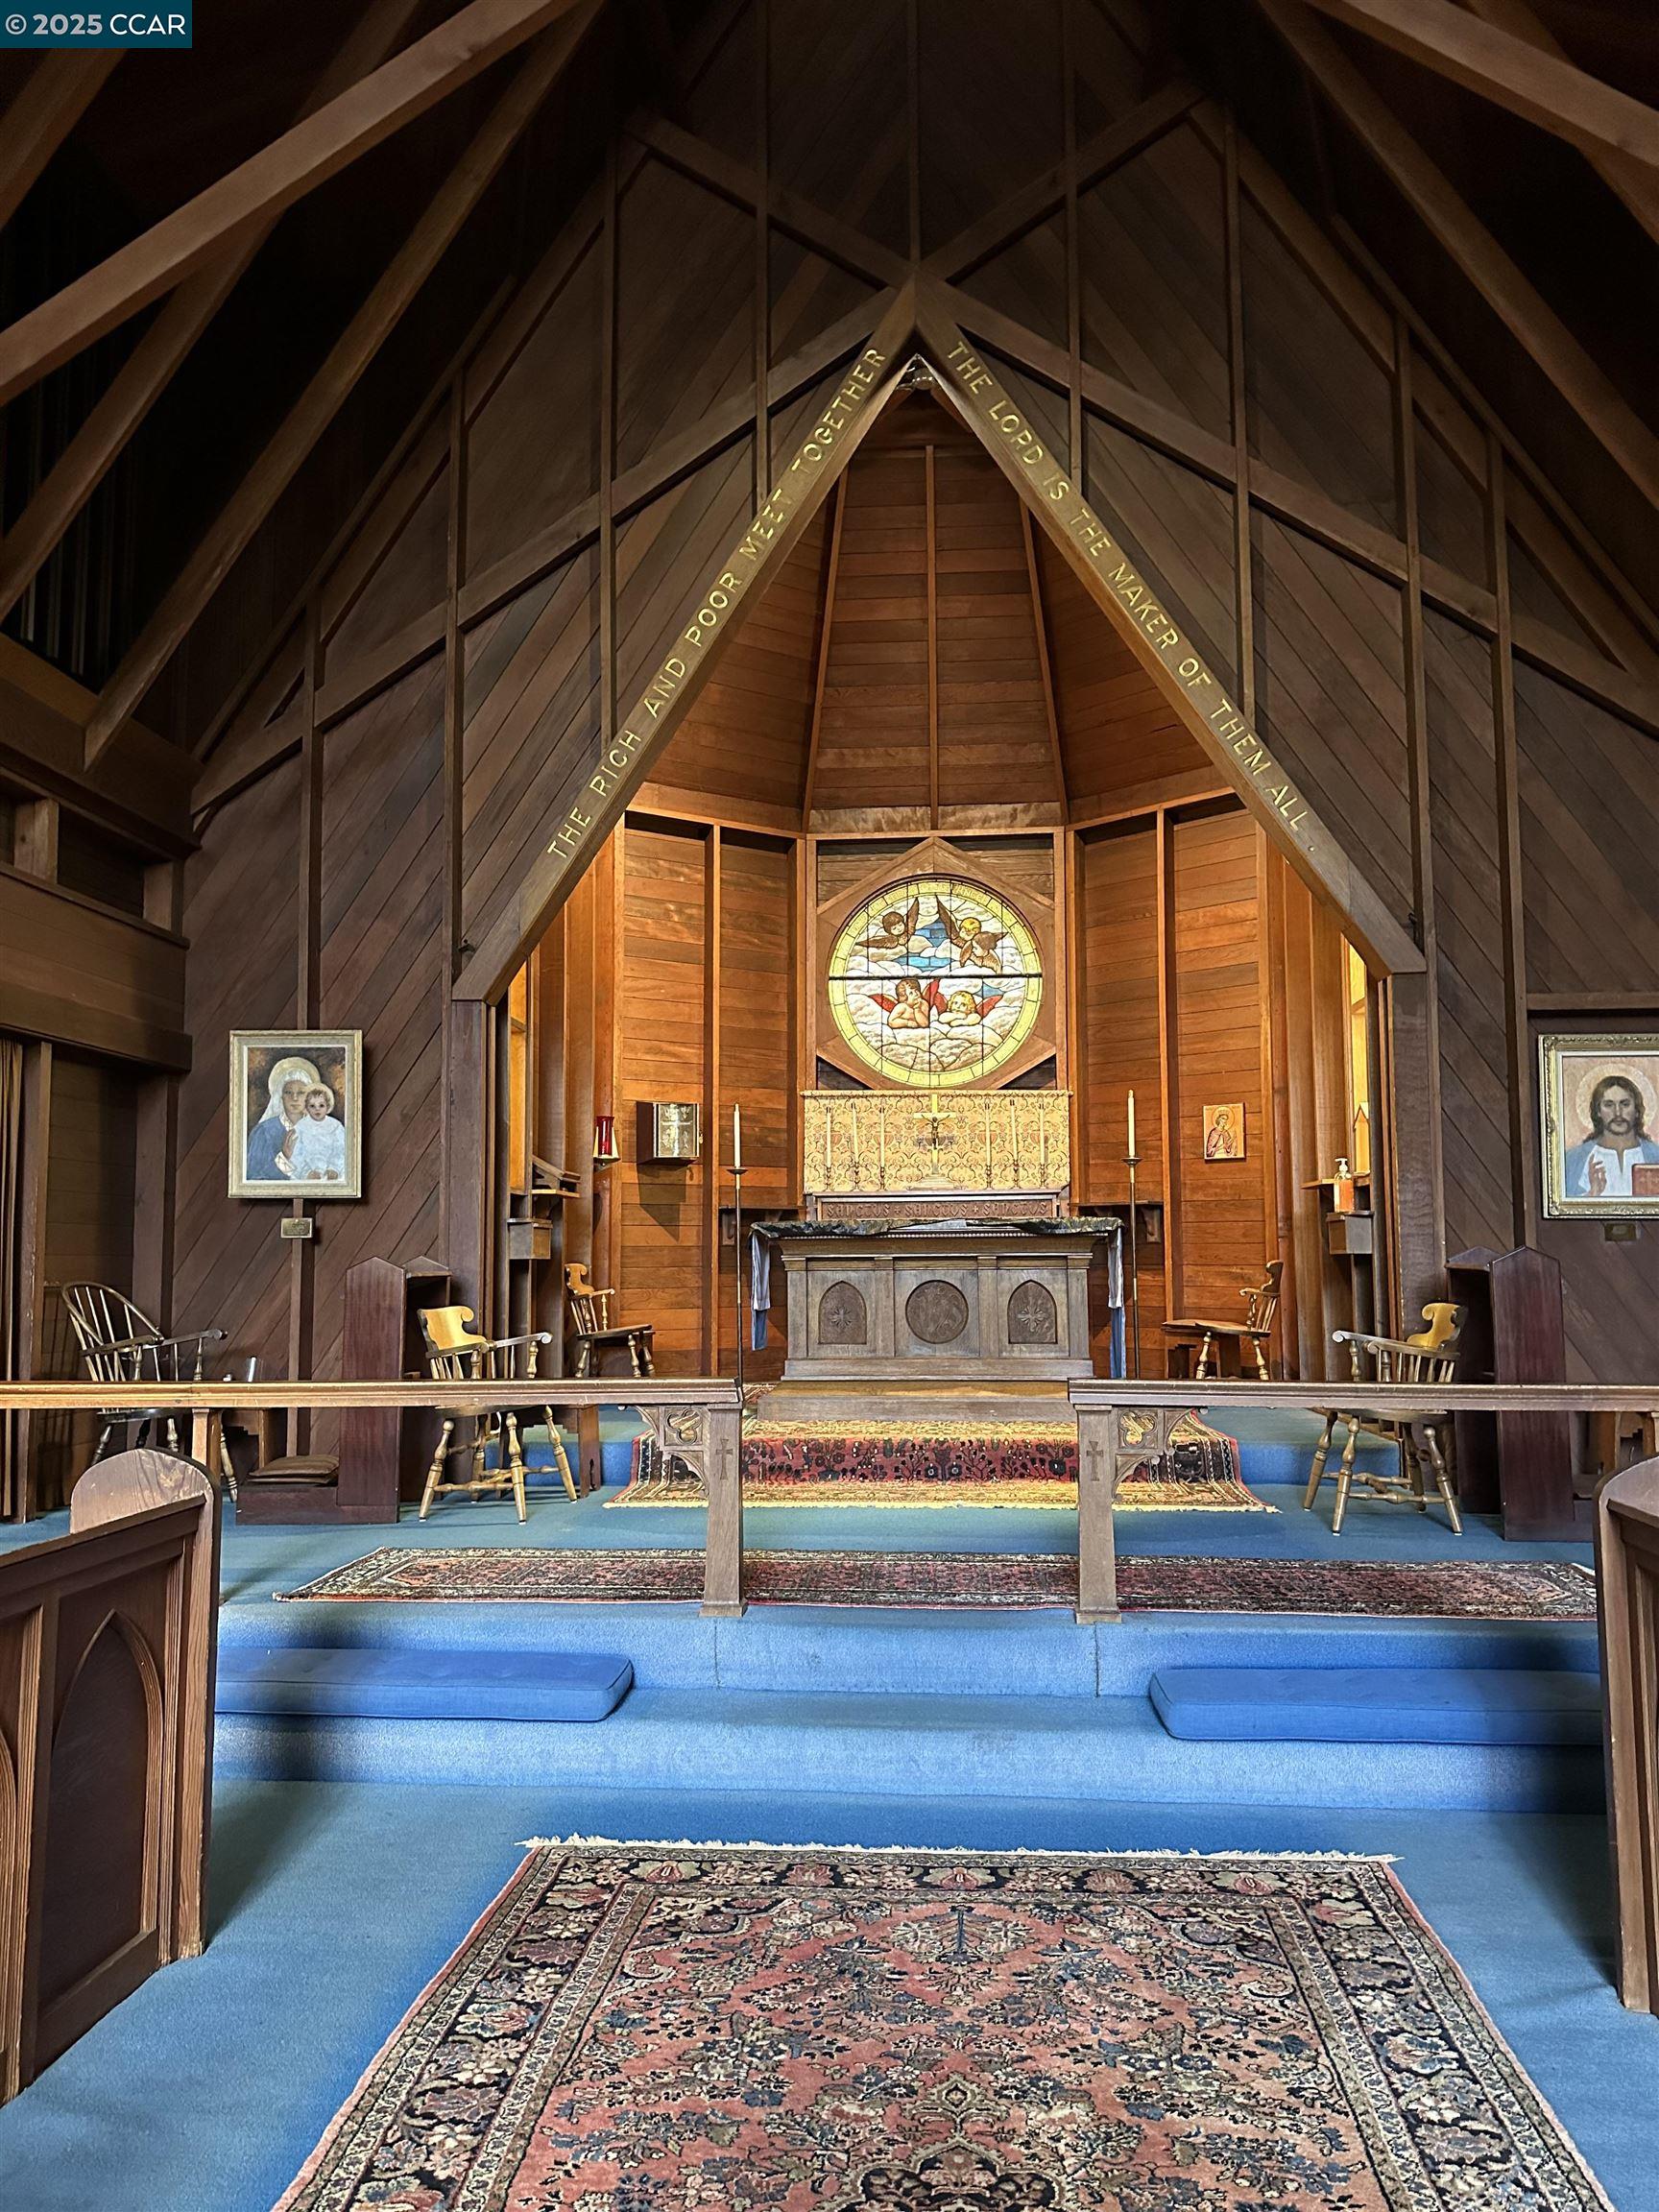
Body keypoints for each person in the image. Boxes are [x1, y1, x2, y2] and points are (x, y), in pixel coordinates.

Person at [1564, 1073, 1659, 1199]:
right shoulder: (1574, 1159)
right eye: (1609, 1105)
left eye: (1625, 1104)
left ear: (1636, 1110)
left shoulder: (1655, 1155)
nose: (1618, 1113)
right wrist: (1591, 1194)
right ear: (1598, 1111)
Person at [245, 1057, 321, 1181]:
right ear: (280, 1097)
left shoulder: (320, 1130)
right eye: (288, 1092)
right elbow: (253, 1177)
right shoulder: (263, 1132)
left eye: (301, 1092)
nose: (295, 1098)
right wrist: (284, 1158)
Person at [279, 1083, 348, 1182]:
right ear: (306, 1108)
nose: (317, 1109)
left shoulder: (336, 1126)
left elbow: (341, 1150)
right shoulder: (300, 1127)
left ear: (328, 1107)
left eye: (321, 1105)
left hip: (332, 1173)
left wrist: (334, 1168)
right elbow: (296, 1153)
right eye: (312, 1106)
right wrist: (306, 1172)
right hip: (307, 1174)